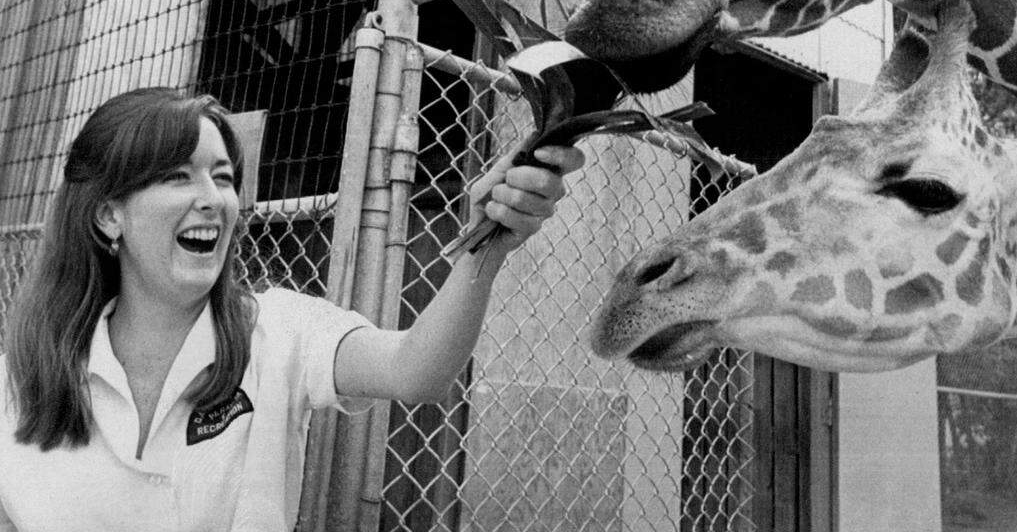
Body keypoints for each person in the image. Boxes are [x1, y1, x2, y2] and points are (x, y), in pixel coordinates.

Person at [0, 87, 584, 531]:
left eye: (224, 177)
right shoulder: (19, 378)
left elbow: (417, 368)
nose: (213, 199)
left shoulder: (278, 330)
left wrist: (487, 246)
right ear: (109, 216)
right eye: (178, 176)